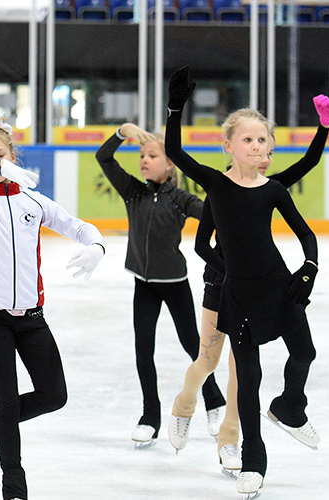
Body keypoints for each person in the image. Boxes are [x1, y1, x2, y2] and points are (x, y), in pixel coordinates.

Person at [165, 66, 321, 498]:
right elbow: (176, 151)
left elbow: (306, 232)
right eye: (248, 139)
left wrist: (309, 265)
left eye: (263, 139)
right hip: (236, 293)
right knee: (240, 375)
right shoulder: (216, 185)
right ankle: (251, 457)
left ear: (270, 146)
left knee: (304, 353)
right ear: (229, 145)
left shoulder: (273, 188)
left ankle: (291, 407)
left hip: (279, 285)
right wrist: (175, 108)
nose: (257, 145)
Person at [0, 115, 105, 500]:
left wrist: (96, 245)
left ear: (14, 156)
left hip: (32, 319)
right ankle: (14, 487)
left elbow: (78, 226)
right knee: (9, 399)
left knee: (54, 395)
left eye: (0, 155)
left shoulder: (33, 201)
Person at [95, 122, 225, 447]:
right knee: (144, 350)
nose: (143, 160)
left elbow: (210, 211)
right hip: (144, 283)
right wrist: (122, 134)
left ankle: (214, 400)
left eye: (152, 155)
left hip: (174, 282)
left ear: (170, 163)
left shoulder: (181, 198)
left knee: (192, 345)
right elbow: (104, 157)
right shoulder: (133, 191)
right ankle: (149, 416)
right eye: (141, 155)